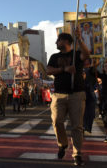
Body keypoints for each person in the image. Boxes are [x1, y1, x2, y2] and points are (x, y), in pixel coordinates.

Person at [46, 29, 90, 166]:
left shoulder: (76, 54)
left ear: (66, 41)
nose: (56, 42)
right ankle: (63, 144)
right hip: (59, 94)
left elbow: (87, 54)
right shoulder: (54, 57)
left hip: (76, 94)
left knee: (77, 126)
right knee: (57, 121)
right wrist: (64, 70)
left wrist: (80, 39)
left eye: (58, 40)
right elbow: (49, 70)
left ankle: (77, 154)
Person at [83, 59, 98, 134]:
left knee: (91, 113)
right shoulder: (79, 69)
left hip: (90, 94)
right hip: (82, 93)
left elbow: (94, 69)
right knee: (83, 112)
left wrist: (95, 63)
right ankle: (83, 127)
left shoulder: (92, 70)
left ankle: (88, 127)